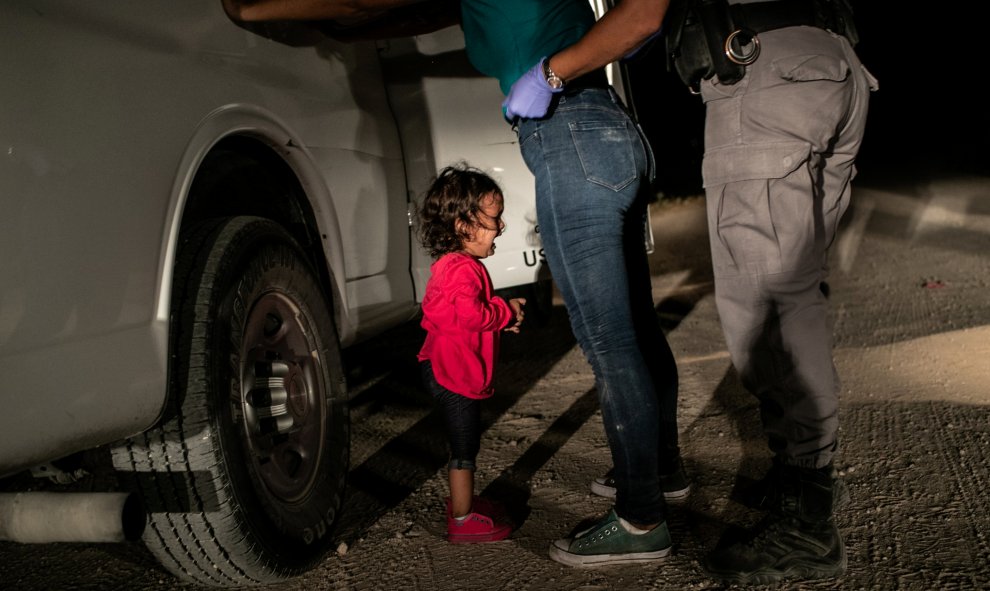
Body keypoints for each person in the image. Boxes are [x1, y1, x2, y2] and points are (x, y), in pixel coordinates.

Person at [459, 0, 691, 567]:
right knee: (634, 324)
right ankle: (659, 468)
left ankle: (640, 519)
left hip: (569, 133)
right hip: (608, 129)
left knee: (608, 342)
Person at [416, 163, 526, 544]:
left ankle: (464, 503)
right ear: (465, 226)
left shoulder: (452, 266)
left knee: (463, 443)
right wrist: (505, 311)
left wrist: (499, 316)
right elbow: (471, 314)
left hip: (442, 367)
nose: (501, 227)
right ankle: (462, 519)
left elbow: (459, 314)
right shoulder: (462, 270)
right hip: (454, 374)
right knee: (464, 448)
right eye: (494, 219)